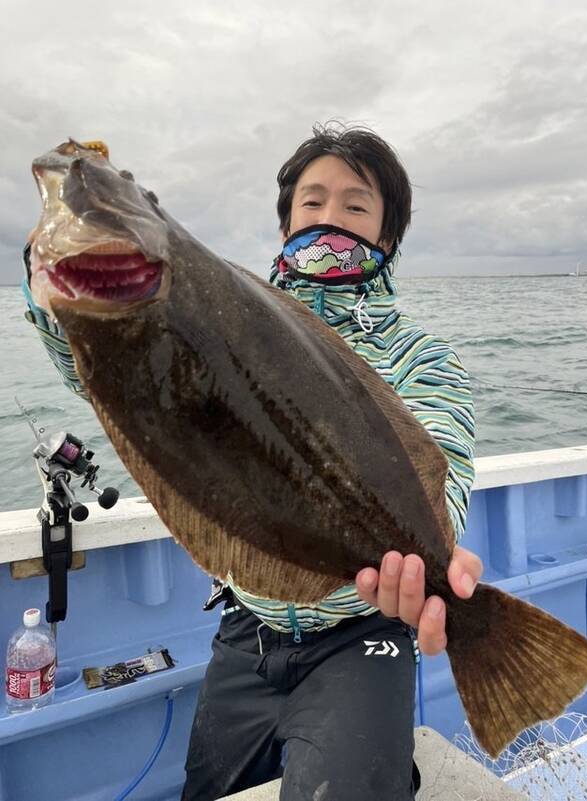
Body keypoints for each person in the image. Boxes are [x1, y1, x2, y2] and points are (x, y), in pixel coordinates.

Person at [22, 123, 480, 801]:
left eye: (356, 206)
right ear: (286, 220)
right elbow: (101, 368)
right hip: (246, 630)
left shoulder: (422, 357)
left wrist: (427, 553)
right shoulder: (217, 299)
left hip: (361, 633)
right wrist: (52, 286)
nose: (329, 217)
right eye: (312, 201)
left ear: (387, 238)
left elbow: (442, 457)